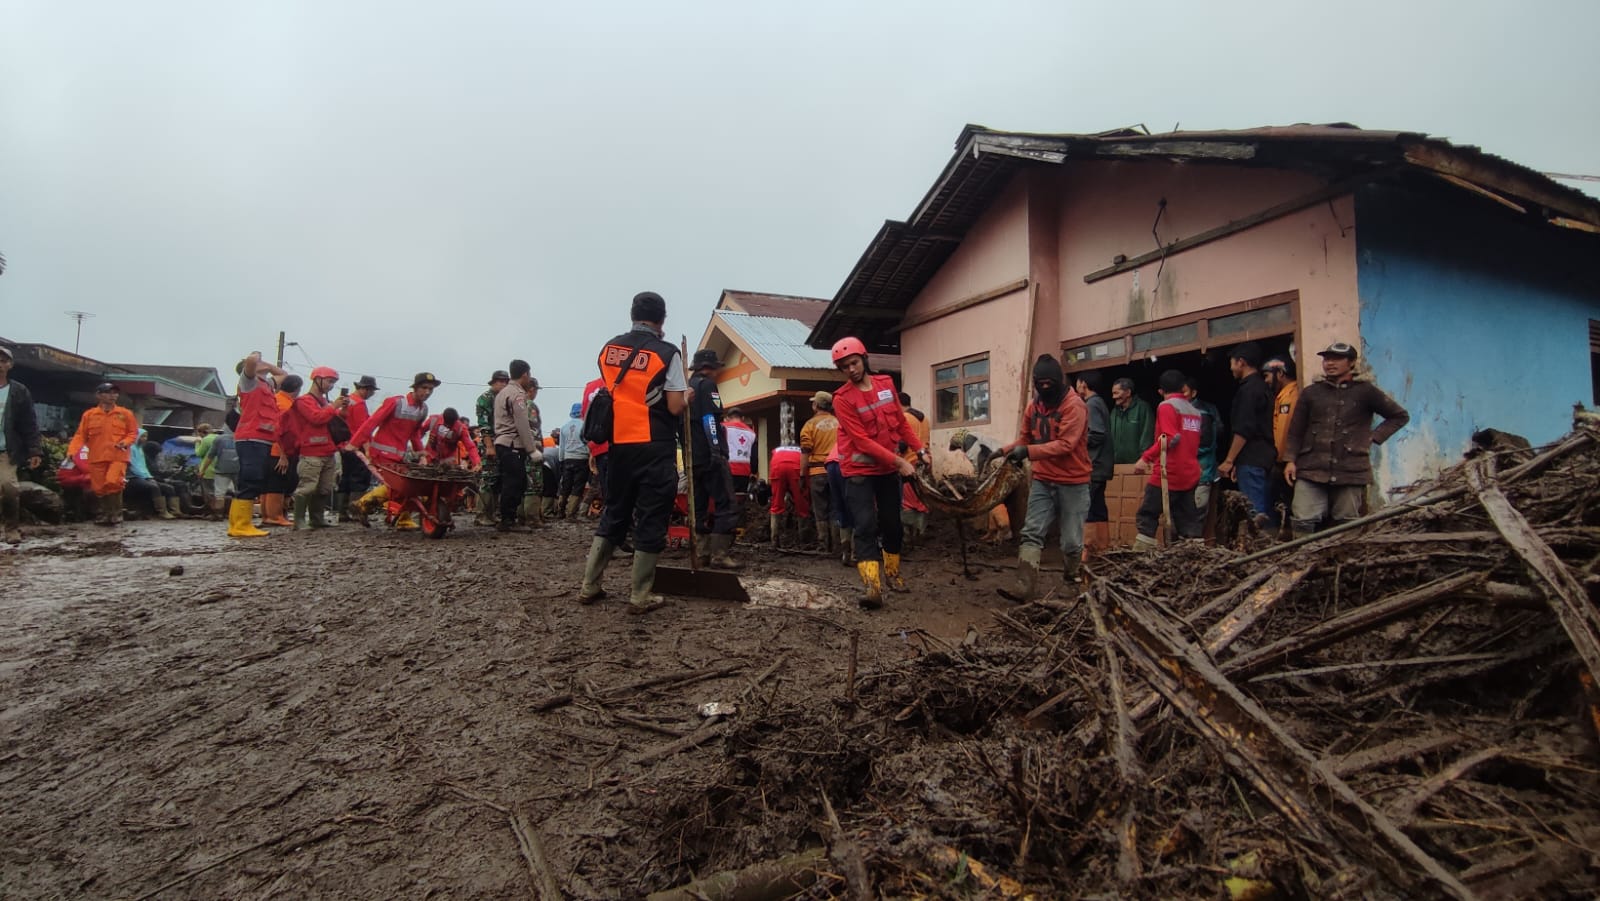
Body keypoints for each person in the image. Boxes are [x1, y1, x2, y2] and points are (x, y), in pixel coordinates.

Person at [578, 291, 687, 614]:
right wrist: (687, 395)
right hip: (654, 444)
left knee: (616, 511)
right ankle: (640, 595)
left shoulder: (609, 349)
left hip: (618, 445)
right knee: (651, 515)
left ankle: (589, 586)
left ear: (632, 315)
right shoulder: (667, 353)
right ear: (662, 319)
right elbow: (673, 404)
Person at [830, 336, 926, 609]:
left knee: (893, 524)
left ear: (864, 359)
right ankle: (872, 587)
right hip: (858, 470)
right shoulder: (842, 399)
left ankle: (893, 573)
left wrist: (920, 449)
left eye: (854, 362)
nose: (851, 369)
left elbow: (900, 422)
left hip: (885, 468)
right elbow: (861, 442)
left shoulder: (885, 384)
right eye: (845, 366)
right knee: (865, 525)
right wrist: (899, 462)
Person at [1284, 342, 1410, 536]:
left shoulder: (1366, 391)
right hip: (1311, 468)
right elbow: (1295, 430)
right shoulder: (1311, 393)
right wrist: (1290, 460)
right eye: (1326, 359)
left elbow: (1399, 416)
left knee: (1346, 524)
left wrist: (1373, 437)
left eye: (1336, 359)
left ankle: (1344, 564)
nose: (1329, 363)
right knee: (1303, 520)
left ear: (1351, 363)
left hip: (1351, 468)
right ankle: (1303, 562)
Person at [997, 354, 1091, 601]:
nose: (1044, 388)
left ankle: (1072, 581)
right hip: (1043, 479)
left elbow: (1066, 444)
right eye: (1040, 383)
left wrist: (1027, 452)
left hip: (1074, 482)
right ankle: (1024, 586)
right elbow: (1025, 439)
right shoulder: (1034, 406)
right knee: (1031, 532)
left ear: (1059, 381)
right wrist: (1003, 450)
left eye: (1049, 383)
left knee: (1071, 540)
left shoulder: (1074, 406)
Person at [349, 372, 439, 529]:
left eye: (431, 389)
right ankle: (364, 504)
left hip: (399, 455)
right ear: (415, 387)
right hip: (382, 453)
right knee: (399, 485)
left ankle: (398, 516)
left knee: (405, 485)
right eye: (424, 388)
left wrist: (421, 454)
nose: (427, 392)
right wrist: (355, 443)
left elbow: (415, 435)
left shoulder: (423, 409)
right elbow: (372, 422)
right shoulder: (396, 402)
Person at [1132, 370, 1206, 549]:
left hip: (1168, 473)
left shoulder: (1166, 406)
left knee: (1147, 515)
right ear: (1183, 388)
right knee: (1188, 520)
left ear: (1160, 391)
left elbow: (1170, 437)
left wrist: (1146, 457)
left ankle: (1142, 557)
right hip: (1190, 474)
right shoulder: (1195, 412)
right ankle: (1196, 557)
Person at [685, 349, 741, 568]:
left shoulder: (686, 389)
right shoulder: (707, 386)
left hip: (693, 459)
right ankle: (719, 554)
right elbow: (710, 418)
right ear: (708, 368)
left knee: (698, 506)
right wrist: (716, 449)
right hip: (709, 455)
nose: (718, 373)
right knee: (725, 503)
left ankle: (701, 552)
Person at [229, 352, 288, 537]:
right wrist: (256, 356)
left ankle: (241, 523)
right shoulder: (249, 382)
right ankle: (239, 525)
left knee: (254, 480)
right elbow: (251, 360)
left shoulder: (267, 384)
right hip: (250, 438)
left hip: (262, 439)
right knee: (249, 480)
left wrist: (269, 366)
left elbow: (283, 375)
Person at [1217, 342, 1276, 526]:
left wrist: (1229, 460)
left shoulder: (1248, 390)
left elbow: (1244, 429)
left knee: (1255, 511)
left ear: (1241, 362)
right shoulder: (1263, 387)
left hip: (1252, 458)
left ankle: (1260, 551)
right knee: (1266, 507)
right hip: (1262, 457)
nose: (1231, 368)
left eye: (1232, 363)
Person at [67, 382, 140, 527]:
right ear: (98, 395)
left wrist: (125, 442)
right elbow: (81, 435)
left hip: (118, 455)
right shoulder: (89, 415)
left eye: (115, 393)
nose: (113, 396)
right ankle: (105, 514)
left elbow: (133, 433)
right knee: (99, 487)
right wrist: (72, 451)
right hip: (97, 456)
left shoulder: (125, 414)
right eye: (108, 392)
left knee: (113, 481)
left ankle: (116, 513)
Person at [286, 366, 351, 529]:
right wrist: (333, 406)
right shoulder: (303, 401)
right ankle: (299, 520)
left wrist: (343, 408)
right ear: (317, 379)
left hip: (327, 451)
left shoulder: (324, 402)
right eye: (329, 381)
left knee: (324, 489)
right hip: (311, 452)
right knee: (307, 487)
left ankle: (317, 518)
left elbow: (336, 420)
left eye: (333, 382)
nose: (331, 385)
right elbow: (316, 418)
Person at [0, 345, 43, 544]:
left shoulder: (18, 391)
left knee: (9, 487)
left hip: (6, 450)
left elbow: (29, 422)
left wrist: (35, 450)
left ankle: (11, 529)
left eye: (3, 361)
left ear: (10, 365)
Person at [492, 360, 541, 532]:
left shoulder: (502, 393)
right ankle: (507, 520)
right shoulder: (518, 395)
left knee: (510, 481)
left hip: (502, 442)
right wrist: (532, 449)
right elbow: (522, 424)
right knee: (515, 482)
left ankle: (507, 518)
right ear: (525, 374)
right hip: (512, 444)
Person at [1076, 372, 1113, 556]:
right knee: (1098, 507)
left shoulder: (1091, 404)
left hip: (1094, 465)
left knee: (1088, 506)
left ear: (1084, 384)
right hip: (1101, 465)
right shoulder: (1100, 403)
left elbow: (1097, 434)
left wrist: (1076, 439)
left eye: (1078, 382)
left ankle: (1087, 550)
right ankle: (1103, 548)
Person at [260, 373, 303, 527]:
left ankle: (267, 516)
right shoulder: (286, 405)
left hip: (267, 447)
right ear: (297, 388)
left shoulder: (275, 399)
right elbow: (281, 431)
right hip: (279, 450)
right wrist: (283, 454)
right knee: (277, 483)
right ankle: (275, 516)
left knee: (268, 484)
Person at [1263, 356, 1300, 528]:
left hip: (1287, 462)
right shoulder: (1281, 396)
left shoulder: (1291, 395)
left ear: (1280, 374)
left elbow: (1286, 431)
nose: (1266, 381)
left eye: (1267, 376)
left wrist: (1284, 459)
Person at [336, 375, 379, 522]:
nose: (372, 394)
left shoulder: (347, 401)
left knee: (345, 478)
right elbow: (363, 429)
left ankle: (342, 512)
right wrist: (368, 450)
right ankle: (356, 510)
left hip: (344, 445)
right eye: (372, 391)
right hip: (357, 446)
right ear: (366, 389)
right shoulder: (359, 404)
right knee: (359, 479)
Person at [799, 392, 839, 552]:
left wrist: (802, 475)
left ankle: (824, 545)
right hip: (837, 470)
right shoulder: (839, 423)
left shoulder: (809, 425)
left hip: (817, 471)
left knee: (820, 508)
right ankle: (838, 545)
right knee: (836, 507)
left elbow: (805, 452)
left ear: (816, 405)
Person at [1183, 376, 1224, 515]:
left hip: (1201, 470)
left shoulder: (1202, 414)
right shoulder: (1179, 410)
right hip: (1184, 473)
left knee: (1195, 512)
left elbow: (1204, 443)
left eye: (1184, 392)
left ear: (1193, 393)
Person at [475, 371, 509, 526]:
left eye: (505, 381)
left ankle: (492, 513)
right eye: (499, 381)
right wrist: (489, 446)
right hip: (490, 442)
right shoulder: (485, 399)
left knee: (498, 479)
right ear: (493, 382)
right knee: (488, 478)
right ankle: (481, 514)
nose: (502, 384)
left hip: (503, 442)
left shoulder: (504, 400)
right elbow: (484, 425)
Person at [898, 392, 930, 548]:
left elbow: (902, 445)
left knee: (907, 502)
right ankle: (921, 532)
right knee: (921, 499)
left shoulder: (904, 418)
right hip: (924, 462)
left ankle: (909, 537)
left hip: (908, 464)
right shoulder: (924, 419)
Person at [126, 428, 179, 519]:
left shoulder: (140, 450)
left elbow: (143, 466)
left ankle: (175, 511)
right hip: (132, 477)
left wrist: (149, 476)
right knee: (153, 486)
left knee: (168, 487)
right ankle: (162, 511)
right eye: (142, 436)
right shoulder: (130, 449)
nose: (145, 439)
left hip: (143, 476)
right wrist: (146, 477)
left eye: (146, 436)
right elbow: (134, 466)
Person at [767, 442, 808, 548]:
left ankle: (774, 539)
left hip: (776, 467)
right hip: (796, 467)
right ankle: (804, 540)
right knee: (801, 503)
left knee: (776, 503)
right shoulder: (801, 451)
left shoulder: (777, 449)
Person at [1109, 377, 1155, 465]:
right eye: (1113, 393)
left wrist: (1143, 459)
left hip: (1137, 465)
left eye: (1116, 393)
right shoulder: (1114, 412)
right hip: (1116, 465)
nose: (1113, 397)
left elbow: (1147, 437)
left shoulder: (1143, 408)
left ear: (1128, 392)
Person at [557, 402, 590, 519]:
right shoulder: (585, 425)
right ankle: (571, 513)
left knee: (566, 486)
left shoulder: (564, 427)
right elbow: (588, 443)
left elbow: (561, 446)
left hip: (567, 458)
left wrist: (561, 460)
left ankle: (560, 511)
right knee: (578, 486)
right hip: (581, 458)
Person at [201, 424, 239, 520]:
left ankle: (218, 515)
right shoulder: (242, 438)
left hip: (221, 469)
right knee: (239, 492)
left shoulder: (219, 439)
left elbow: (210, 456)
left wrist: (203, 470)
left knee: (219, 493)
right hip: (239, 469)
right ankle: (238, 514)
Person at [723, 408, 756, 497]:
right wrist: (753, 471)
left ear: (727, 417)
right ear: (743, 418)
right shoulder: (751, 432)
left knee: (726, 499)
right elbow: (754, 455)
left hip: (727, 470)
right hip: (744, 472)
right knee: (740, 499)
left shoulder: (723, 427)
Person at [540, 428, 562, 518]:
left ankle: (538, 511)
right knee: (550, 489)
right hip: (547, 465)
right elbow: (559, 472)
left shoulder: (547, 447)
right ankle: (546, 512)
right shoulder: (559, 452)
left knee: (537, 488)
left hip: (536, 463)